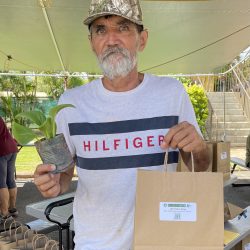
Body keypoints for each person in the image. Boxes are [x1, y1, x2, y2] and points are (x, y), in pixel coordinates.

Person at [34, 0, 210, 249]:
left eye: (123, 27)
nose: (111, 39)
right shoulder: (71, 105)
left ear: (142, 39)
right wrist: (51, 184)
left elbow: (200, 167)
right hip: (95, 244)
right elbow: (63, 175)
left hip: (162, 241)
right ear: (92, 43)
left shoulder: (172, 94)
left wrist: (199, 149)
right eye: (100, 30)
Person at [0, 116, 19, 222]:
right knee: (10, 180)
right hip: (11, 147)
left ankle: (4, 213)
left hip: (2, 150)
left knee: (1, 182)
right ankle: (12, 209)